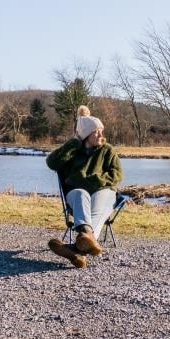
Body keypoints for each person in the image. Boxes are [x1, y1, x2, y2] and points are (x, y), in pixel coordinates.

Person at [45, 105, 124, 268]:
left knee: (100, 198)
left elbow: (117, 175)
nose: (101, 134)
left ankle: (77, 249)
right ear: (86, 134)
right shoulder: (73, 151)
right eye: (96, 131)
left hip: (104, 191)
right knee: (81, 194)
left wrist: (94, 180)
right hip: (77, 196)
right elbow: (51, 162)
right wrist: (73, 142)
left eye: (102, 130)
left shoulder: (107, 151)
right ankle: (85, 242)